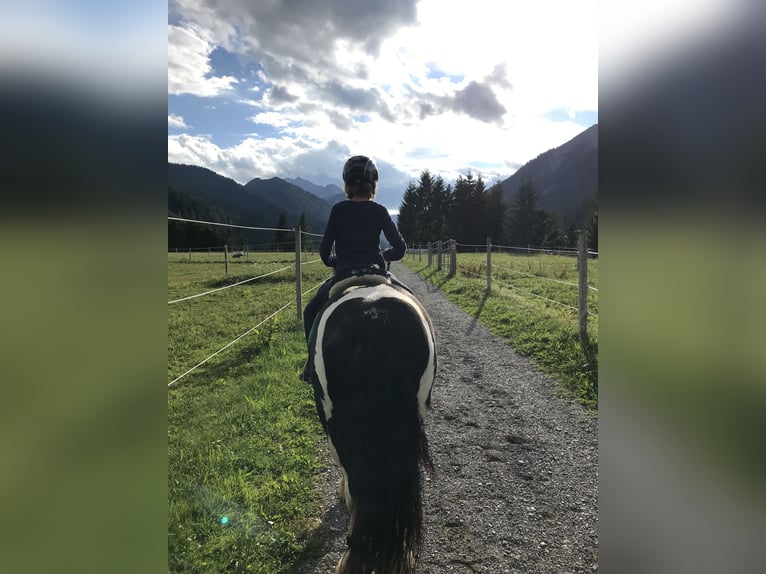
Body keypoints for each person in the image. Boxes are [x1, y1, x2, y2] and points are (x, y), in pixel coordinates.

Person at [301, 155, 410, 379]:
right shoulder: (380, 211)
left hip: (344, 275)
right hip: (376, 273)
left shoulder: (338, 210)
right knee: (409, 299)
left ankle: (312, 365)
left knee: (311, 311)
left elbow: (324, 253)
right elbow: (400, 249)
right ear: (373, 184)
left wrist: (336, 261)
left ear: (347, 184)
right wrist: (382, 255)